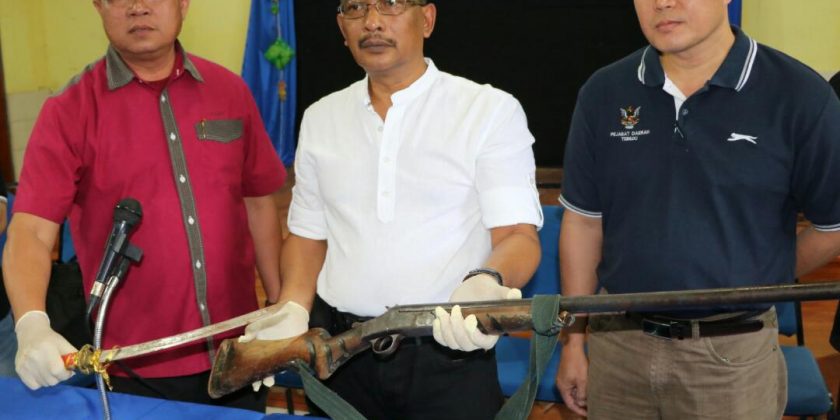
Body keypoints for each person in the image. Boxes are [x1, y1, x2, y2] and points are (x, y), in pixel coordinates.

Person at [239, 0, 543, 418]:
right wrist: (291, 306)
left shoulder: (487, 110)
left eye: (391, 4)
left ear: (427, 19)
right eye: (356, 8)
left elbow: (518, 237)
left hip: (449, 350)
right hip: (340, 355)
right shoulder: (321, 118)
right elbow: (308, 237)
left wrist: (486, 283)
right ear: (341, 28)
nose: (372, 22)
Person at [555, 0, 840, 418]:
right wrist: (574, 342)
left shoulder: (800, 95)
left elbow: (834, 226)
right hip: (616, 348)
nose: (662, 3)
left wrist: (758, 274)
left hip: (732, 357)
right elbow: (583, 222)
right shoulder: (604, 91)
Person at [3, 0, 285, 411]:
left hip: (239, 351)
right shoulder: (70, 110)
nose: (138, 7)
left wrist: (279, 306)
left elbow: (258, 202)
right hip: (134, 367)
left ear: (183, 4)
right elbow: (30, 229)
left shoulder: (229, 91)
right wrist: (31, 322)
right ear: (98, 6)